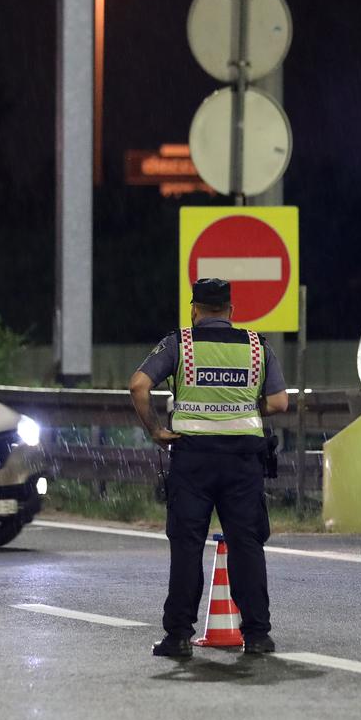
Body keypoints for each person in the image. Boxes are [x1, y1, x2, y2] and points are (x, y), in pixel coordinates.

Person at [128, 278, 290, 658]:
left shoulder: (180, 344)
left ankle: (179, 636)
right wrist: (247, 409)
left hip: (192, 460)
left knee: (186, 548)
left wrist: (155, 430)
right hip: (242, 464)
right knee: (246, 546)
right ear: (231, 311)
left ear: (195, 309)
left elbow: (138, 385)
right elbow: (280, 402)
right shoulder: (256, 346)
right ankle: (257, 635)